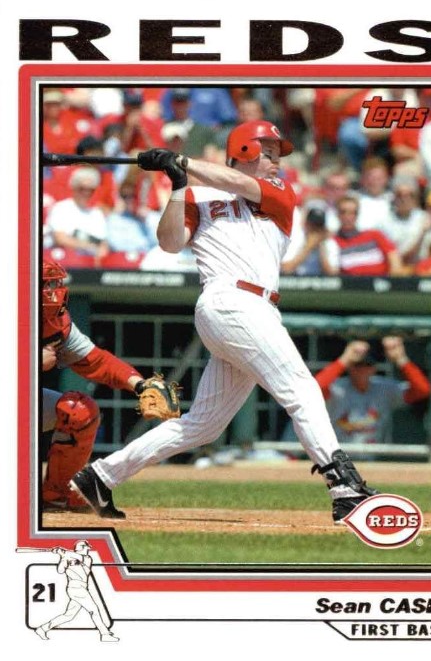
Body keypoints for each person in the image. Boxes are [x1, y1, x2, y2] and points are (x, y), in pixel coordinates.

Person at [70, 120, 378, 524]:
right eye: (269, 152)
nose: (276, 161)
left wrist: (182, 161)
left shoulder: (279, 191)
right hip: (230, 301)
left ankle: (101, 475)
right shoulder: (196, 195)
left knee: (204, 425)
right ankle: (344, 488)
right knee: (301, 388)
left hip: (253, 308)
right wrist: (177, 185)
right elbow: (170, 242)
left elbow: (236, 182)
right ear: (246, 150)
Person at [42, 259, 145, 511]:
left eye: (51, 285)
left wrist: (140, 385)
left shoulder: (55, 323)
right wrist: (27, 360)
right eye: (43, 286)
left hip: (16, 401)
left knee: (79, 411)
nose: (52, 293)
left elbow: (97, 361)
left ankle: (55, 494)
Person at [314, 337, 431, 446]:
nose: (362, 369)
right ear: (349, 367)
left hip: (373, 457)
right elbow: (314, 389)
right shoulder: (337, 388)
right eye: (357, 365)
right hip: (338, 455)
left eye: (367, 365)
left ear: (373, 368)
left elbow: (422, 390)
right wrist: (344, 359)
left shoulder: (384, 388)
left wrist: (401, 359)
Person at [35, 540, 119, 642]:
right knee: (94, 610)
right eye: (87, 547)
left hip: (80, 588)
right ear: (82, 547)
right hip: (75, 587)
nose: (88, 549)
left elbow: (79, 557)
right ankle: (104, 634)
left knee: (68, 615)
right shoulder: (68, 557)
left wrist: (63, 552)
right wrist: (63, 557)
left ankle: (42, 629)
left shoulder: (87, 558)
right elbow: (60, 570)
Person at [45, 167, 109, 267]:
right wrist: (89, 246)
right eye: (82, 188)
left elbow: (103, 244)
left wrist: (100, 252)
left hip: (88, 265)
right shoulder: (61, 208)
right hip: (62, 263)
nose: (86, 193)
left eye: (90, 189)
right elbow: (60, 238)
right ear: (74, 187)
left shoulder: (97, 214)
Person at [325, 195, 405, 276]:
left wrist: (392, 279)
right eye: (343, 212)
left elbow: (394, 259)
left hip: (380, 280)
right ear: (337, 214)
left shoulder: (374, 235)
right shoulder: (332, 242)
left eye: (353, 213)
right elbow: (332, 273)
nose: (348, 217)